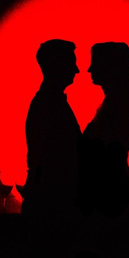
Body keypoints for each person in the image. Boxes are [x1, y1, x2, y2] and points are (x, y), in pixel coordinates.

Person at [78, 42, 129, 218]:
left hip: (115, 203)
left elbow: (102, 160)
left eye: (96, 63)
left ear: (111, 67)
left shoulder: (115, 110)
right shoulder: (116, 106)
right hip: (117, 199)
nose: (89, 69)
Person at [21, 40, 84, 219]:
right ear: (57, 66)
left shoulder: (47, 102)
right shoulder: (49, 105)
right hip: (52, 205)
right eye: (72, 63)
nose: (77, 70)